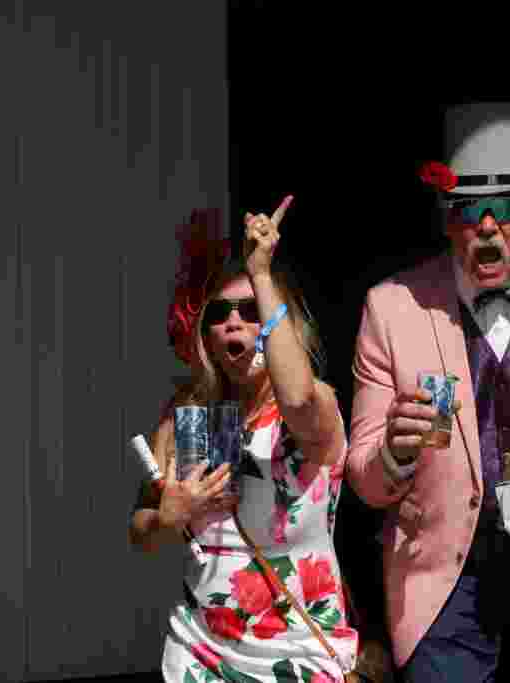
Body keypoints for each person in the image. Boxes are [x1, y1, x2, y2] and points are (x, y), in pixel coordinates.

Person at [344, 102, 510, 682]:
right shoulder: (391, 307)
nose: (488, 227)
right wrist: (395, 447)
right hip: (441, 585)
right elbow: (364, 479)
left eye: (507, 208)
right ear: (446, 218)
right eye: (471, 211)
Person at [129, 202, 360, 681]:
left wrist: (261, 272)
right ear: (207, 336)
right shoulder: (187, 415)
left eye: (253, 311)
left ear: (282, 321)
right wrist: (163, 517)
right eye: (220, 313)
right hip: (199, 649)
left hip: (297, 651)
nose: (235, 322)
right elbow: (139, 531)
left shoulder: (315, 404)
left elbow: (295, 396)